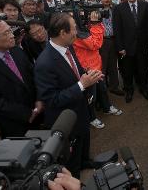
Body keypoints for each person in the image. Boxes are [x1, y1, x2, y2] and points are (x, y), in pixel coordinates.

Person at [34, 13, 103, 178]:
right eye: (74, 29)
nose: (77, 32)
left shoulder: (67, 46)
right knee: (71, 159)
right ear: (63, 33)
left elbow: (76, 71)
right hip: (66, 118)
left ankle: (85, 161)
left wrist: (88, 74)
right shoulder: (45, 63)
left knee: (84, 141)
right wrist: (82, 85)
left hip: (81, 110)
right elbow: (51, 99)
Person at [72, 11, 123, 129]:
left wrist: (94, 24)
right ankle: (91, 117)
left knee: (103, 89)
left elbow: (97, 35)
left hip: (95, 66)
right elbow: (96, 44)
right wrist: (95, 23)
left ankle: (107, 107)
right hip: (87, 70)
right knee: (91, 96)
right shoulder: (75, 34)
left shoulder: (84, 27)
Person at [113, 0, 148, 103]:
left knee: (142, 69)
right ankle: (129, 90)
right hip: (126, 47)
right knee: (127, 71)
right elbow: (117, 29)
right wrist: (120, 47)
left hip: (142, 46)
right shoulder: (119, 9)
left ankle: (144, 88)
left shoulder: (146, 6)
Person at [99, 0, 123, 96]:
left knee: (113, 65)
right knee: (101, 68)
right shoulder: (93, 8)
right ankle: (102, 91)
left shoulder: (116, 7)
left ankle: (114, 86)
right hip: (100, 42)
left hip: (113, 40)